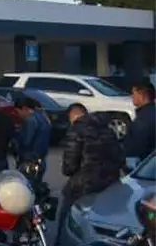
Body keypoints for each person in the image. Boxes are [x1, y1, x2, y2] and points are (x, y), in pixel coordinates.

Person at [56, 103, 125, 245]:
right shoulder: (107, 130)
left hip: (82, 185)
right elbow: (119, 158)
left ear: (72, 116)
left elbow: (69, 166)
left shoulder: (76, 130)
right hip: (107, 184)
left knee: (67, 220)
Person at [14, 96, 52, 181]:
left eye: (18, 111)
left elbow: (26, 141)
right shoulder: (43, 117)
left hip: (29, 160)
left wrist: (16, 134)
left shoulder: (30, 120)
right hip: (41, 159)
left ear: (24, 108)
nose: (18, 115)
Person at [124, 80, 156, 161]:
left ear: (142, 96)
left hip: (145, 165)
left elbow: (136, 148)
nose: (132, 96)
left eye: (133, 93)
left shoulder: (142, 120)